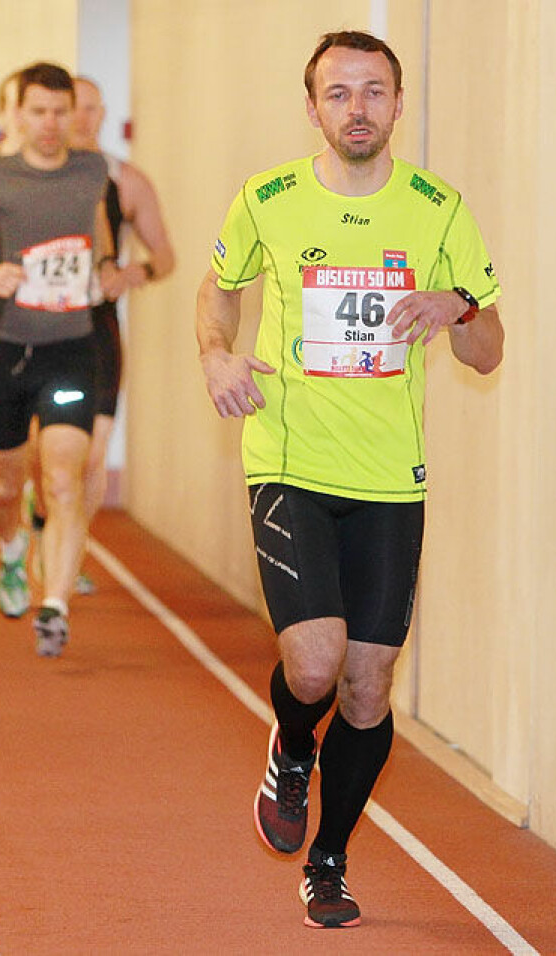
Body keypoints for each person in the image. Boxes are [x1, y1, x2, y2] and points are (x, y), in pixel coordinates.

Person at [196, 31, 503, 929]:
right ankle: (293, 749)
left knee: (370, 685)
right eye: (339, 93)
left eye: (374, 92)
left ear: (398, 106)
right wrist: (216, 354)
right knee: (317, 660)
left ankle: (328, 857)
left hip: (389, 480)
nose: (357, 108)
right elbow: (218, 288)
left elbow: (487, 355)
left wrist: (460, 306)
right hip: (289, 459)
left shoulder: (440, 211)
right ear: (314, 107)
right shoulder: (270, 199)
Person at [0, 62, 121, 656]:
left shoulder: (93, 171)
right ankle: (11, 555)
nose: (52, 123)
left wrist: (106, 273)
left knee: (62, 479)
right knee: (7, 484)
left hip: (72, 349)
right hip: (6, 349)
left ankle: (53, 603)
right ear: (16, 114)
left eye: (62, 110)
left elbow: (99, 244)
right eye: (38, 111)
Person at [39, 74, 175, 589]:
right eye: (72, 108)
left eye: (92, 109)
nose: (81, 119)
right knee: (45, 454)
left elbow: (164, 256)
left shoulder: (126, 180)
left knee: (93, 451)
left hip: (96, 325)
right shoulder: (32, 178)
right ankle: (43, 529)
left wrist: (130, 274)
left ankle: (67, 549)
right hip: (39, 322)